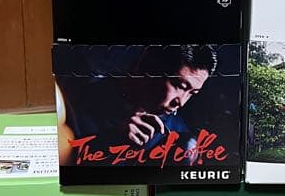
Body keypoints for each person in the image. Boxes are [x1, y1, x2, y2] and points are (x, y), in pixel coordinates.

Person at [57, 44, 218, 167]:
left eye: (192, 93)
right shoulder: (76, 100)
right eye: (179, 85)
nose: (181, 102)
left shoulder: (178, 133)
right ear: (148, 66)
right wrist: (110, 141)